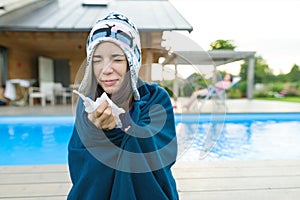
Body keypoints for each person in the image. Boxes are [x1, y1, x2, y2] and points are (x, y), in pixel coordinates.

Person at [67, 12, 179, 200]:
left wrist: (117, 129)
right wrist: (98, 132)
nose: (106, 69)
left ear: (131, 61)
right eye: (97, 60)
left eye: (117, 59)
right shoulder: (88, 105)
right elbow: (79, 160)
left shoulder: (156, 99)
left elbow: (158, 155)